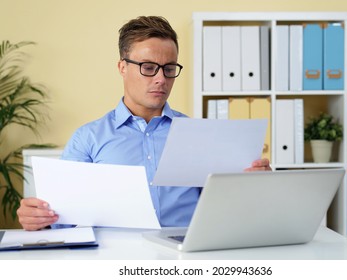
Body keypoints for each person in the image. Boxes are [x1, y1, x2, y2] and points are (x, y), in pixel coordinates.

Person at [17, 16, 271, 231]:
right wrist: (39, 218)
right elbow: (63, 218)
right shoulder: (88, 138)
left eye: (169, 68)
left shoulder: (198, 135)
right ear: (122, 67)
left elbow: (229, 212)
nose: (161, 79)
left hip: (186, 259)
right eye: (148, 67)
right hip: (114, 260)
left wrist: (256, 186)